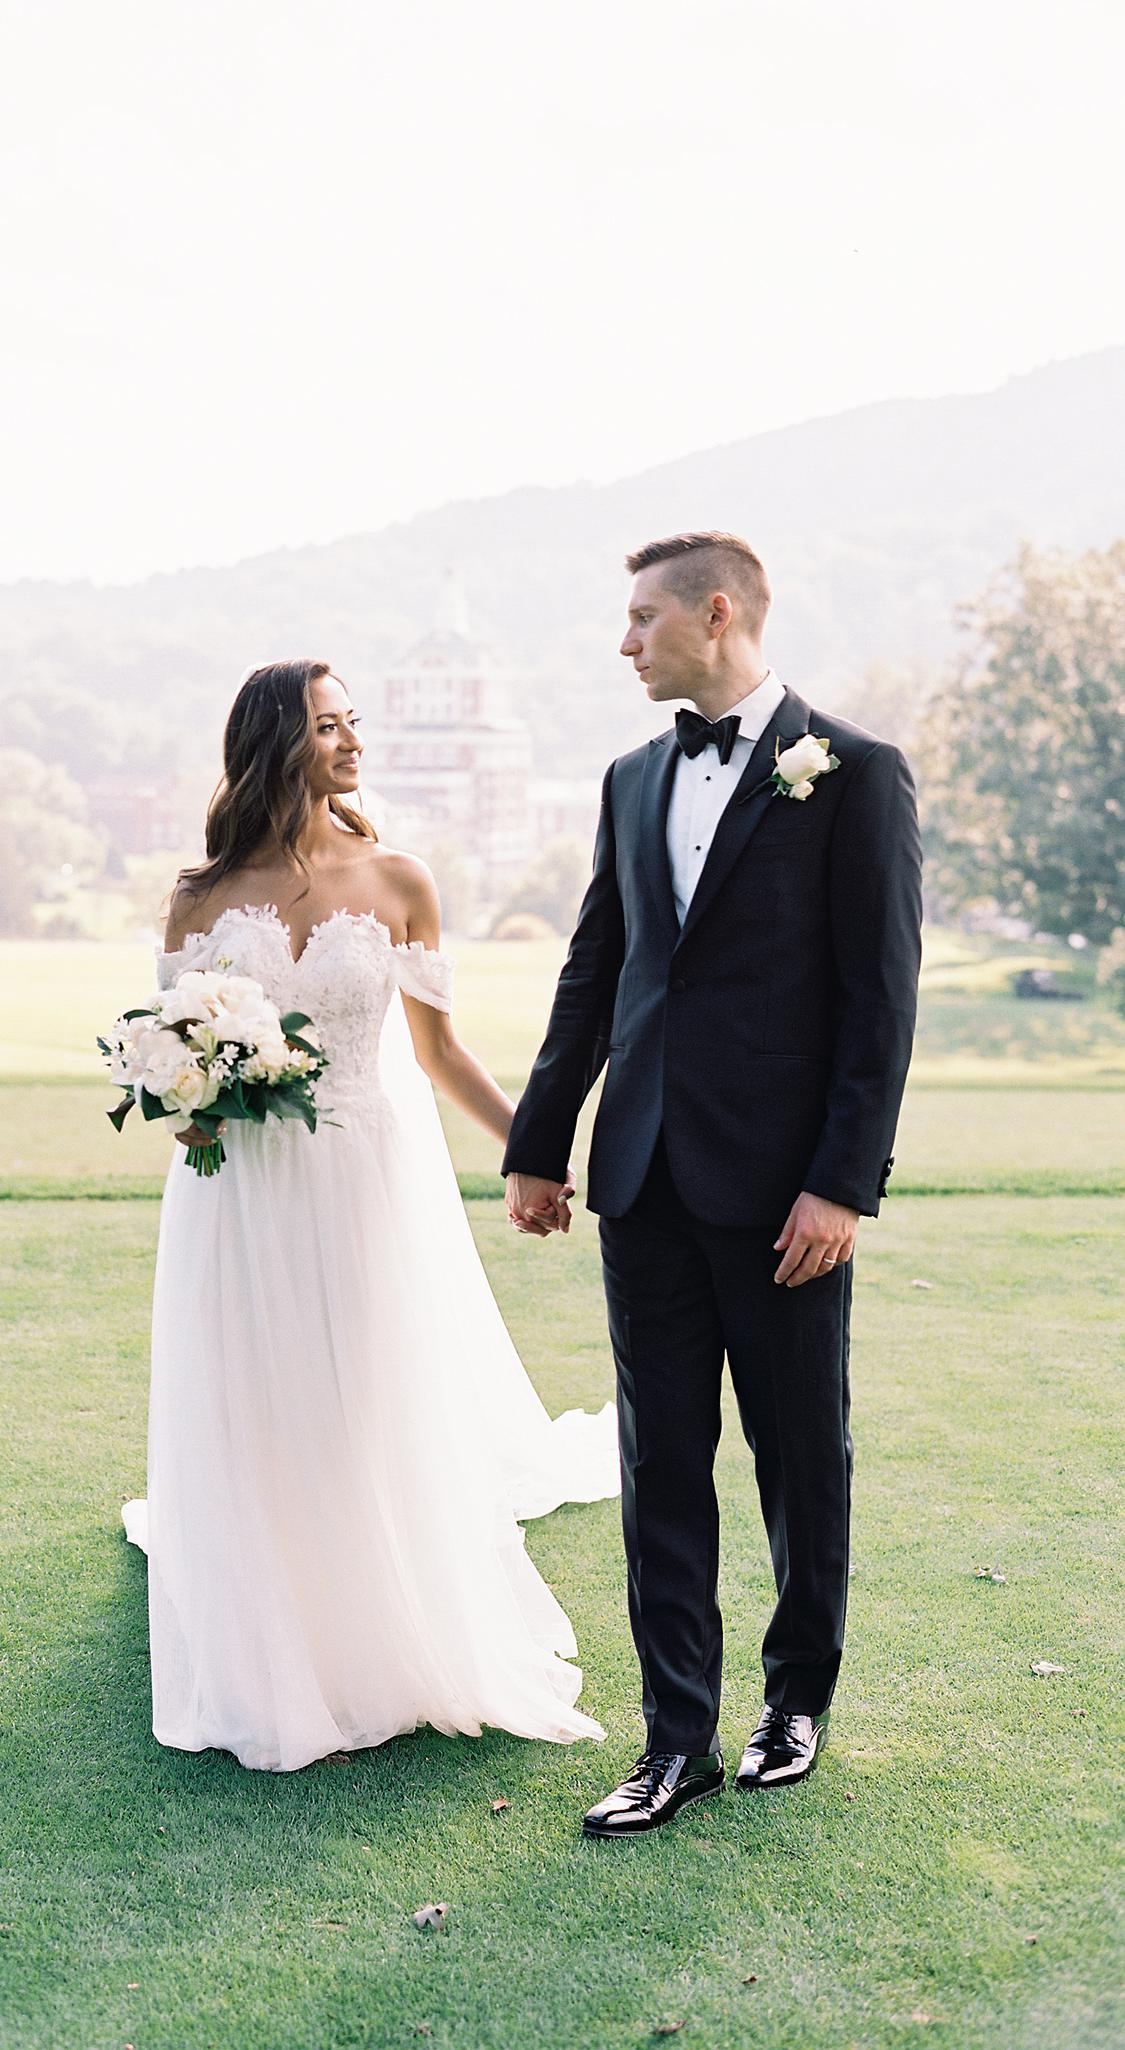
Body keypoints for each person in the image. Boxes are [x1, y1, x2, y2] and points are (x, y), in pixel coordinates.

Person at [120, 658, 619, 1773]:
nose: (352, 742)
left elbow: (442, 1054)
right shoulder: (200, 896)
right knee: (254, 1391)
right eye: (328, 727)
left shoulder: (398, 881)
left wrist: (540, 1156)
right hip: (241, 1190)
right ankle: (269, 1624)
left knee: (365, 1391)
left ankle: (376, 1624)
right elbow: (173, 1067)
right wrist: (195, 1108)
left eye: (354, 723)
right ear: (271, 745)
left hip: (365, 1178)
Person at [503, 532, 922, 1835]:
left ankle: (794, 1699)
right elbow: (600, 969)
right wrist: (539, 1138)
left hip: (788, 1193)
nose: (622, 642)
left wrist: (842, 1186)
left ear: (716, 613)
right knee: (659, 1462)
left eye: (639, 618)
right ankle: (672, 1737)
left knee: (800, 1454)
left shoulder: (853, 775)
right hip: (642, 1183)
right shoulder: (630, 779)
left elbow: (879, 1004)